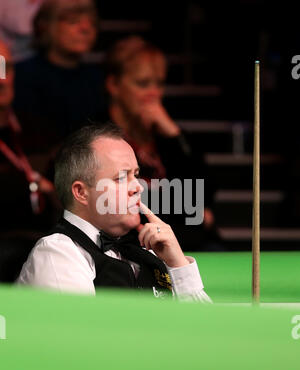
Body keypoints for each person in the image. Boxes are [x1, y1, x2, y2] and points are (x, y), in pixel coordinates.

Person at [18, 123, 212, 303]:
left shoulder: (148, 250)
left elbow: (207, 332)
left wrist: (178, 264)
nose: (138, 187)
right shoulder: (58, 253)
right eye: (121, 177)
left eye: (135, 175)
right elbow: (83, 336)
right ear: (81, 192)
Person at [105, 36, 220, 250]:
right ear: (114, 85)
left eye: (159, 84)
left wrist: (174, 135)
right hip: (129, 242)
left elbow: (205, 193)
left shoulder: (169, 137)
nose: (154, 94)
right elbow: (111, 203)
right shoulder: (99, 138)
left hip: (181, 239)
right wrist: (186, 209)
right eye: (143, 84)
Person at [0, 40, 60, 283]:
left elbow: (71, 197)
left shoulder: (40, 131)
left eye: (8, 68)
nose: (2, 80)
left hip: (50, 248)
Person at [14, 0, 106, 152]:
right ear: (46, 26)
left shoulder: (97, 78)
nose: (85, 28)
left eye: (92, 23)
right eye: (73, 21)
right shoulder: (21, 76)